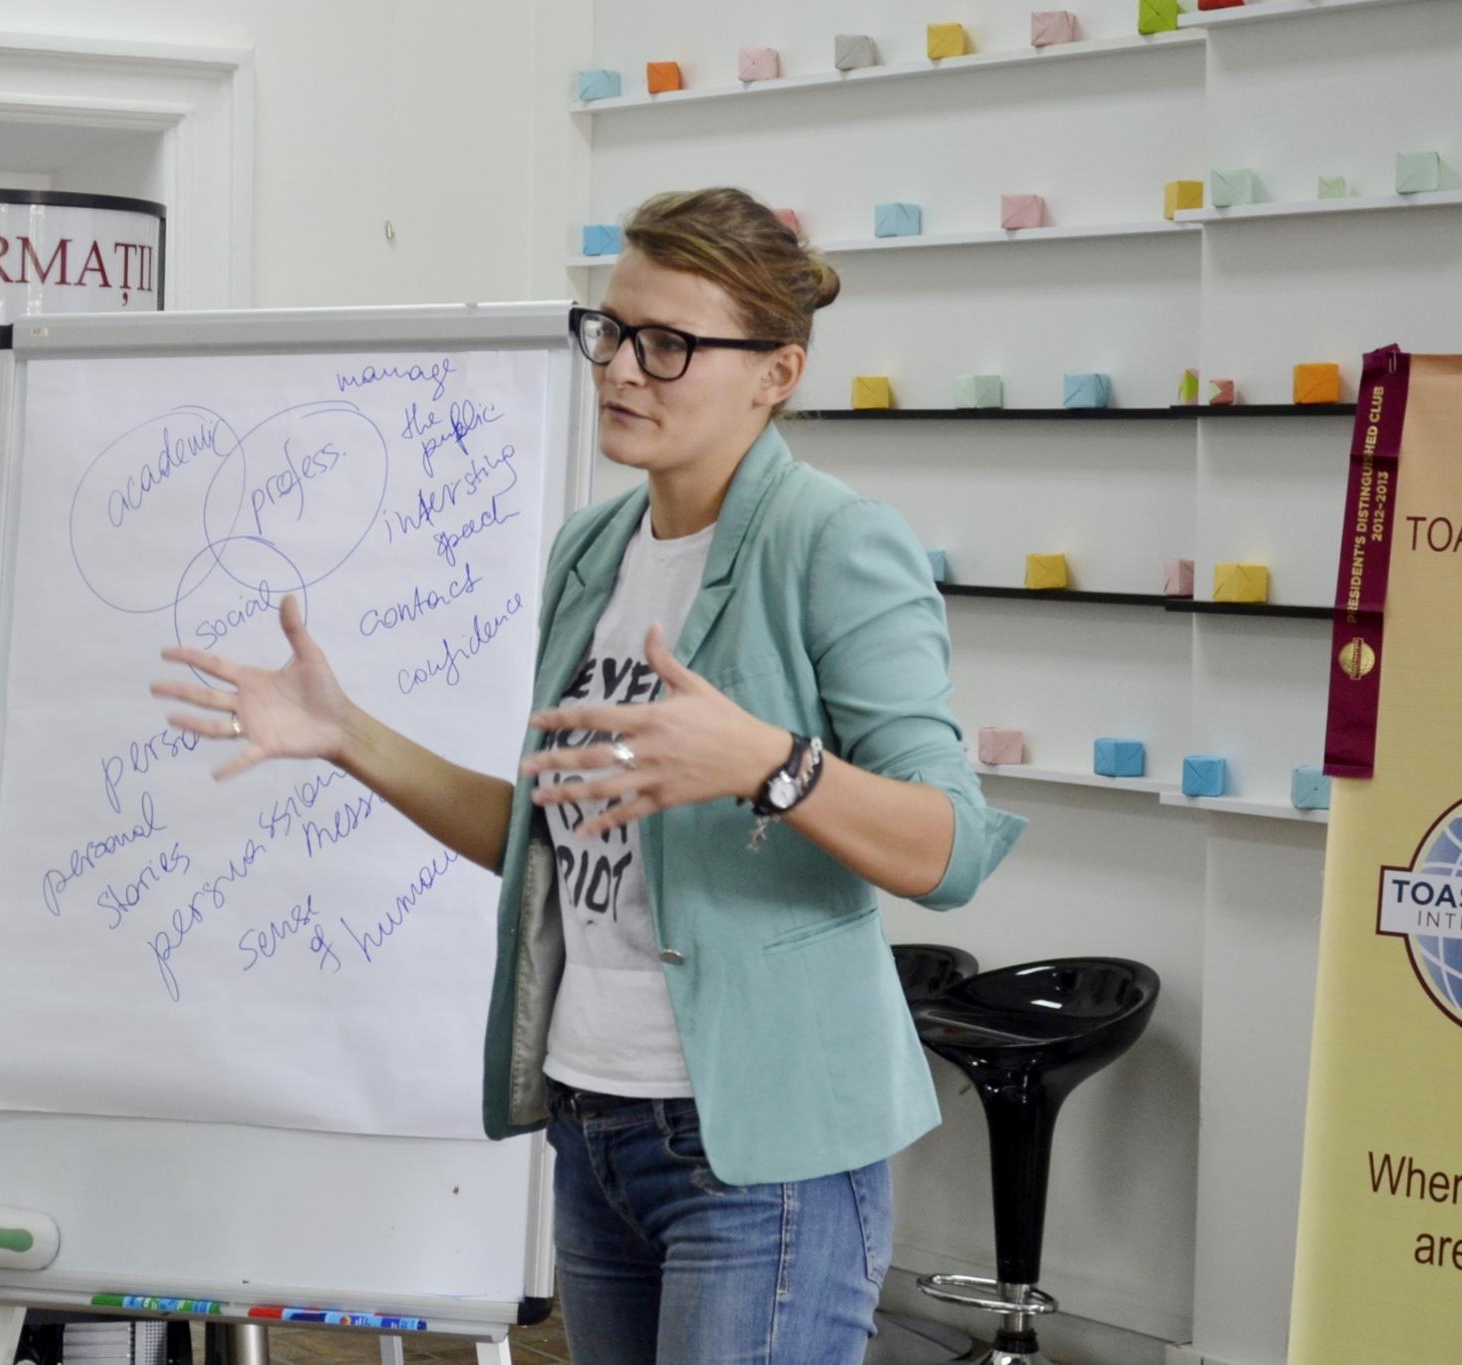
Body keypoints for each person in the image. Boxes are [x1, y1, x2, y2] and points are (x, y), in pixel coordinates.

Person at [152, 187, 1026, 1365]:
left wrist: (768, 764)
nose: (621, 368)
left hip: (761, 1152)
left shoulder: (831, 543)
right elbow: (548, 834)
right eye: (609, 331)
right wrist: (346, 734)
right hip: (594, 1120)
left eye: (667, 345)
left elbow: (949, 849)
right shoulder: (593, 548)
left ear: (774, 373)